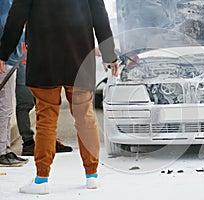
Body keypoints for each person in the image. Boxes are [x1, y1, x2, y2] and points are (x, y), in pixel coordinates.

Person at [0, 0, 119, 194]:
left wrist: (3, 53)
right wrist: (109, 54)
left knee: (46, 119)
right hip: (79, 57)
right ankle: (92, 176)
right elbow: (100, 15)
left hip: (44, 57)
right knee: (85, 118)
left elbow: (16, 15)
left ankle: (41, 180)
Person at [16, 31, 73, 156]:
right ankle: (28, 143)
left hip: (43, 67)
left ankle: (49, 141)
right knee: (25, 105)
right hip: (23, 66)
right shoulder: (17, 21)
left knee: (46, 105)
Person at [0, 0, 28, 167]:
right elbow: (7, 25)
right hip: (6, 61)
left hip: (11, 59)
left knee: (6, 107)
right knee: (5, 107)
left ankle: (5, 149)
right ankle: (2, 152)